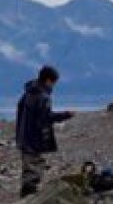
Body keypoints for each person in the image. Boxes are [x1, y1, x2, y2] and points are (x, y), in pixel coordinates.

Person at [15, 66, 75, 197]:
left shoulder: (28, 92)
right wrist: (66, 115)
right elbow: (46, 117)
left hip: (23, 134)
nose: (54, 85)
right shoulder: (43, 96)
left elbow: (20, 112)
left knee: (28, 166)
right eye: (54, 82)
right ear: (48, 80)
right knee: (34, 166)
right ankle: (29, 198)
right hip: (35, 136)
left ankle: (26, 195)